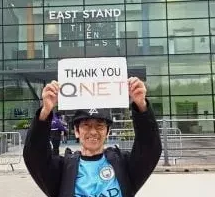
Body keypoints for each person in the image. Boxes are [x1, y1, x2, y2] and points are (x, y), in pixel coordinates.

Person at [23, 77, 162, 197]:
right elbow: (34, 156)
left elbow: (149, 149)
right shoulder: (63, 169)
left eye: (100, 126)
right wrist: (45, 111)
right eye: (86, 125)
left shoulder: (124, 165)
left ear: (108, 132)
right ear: (76, 131)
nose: (93, 132)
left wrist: (141, 105)